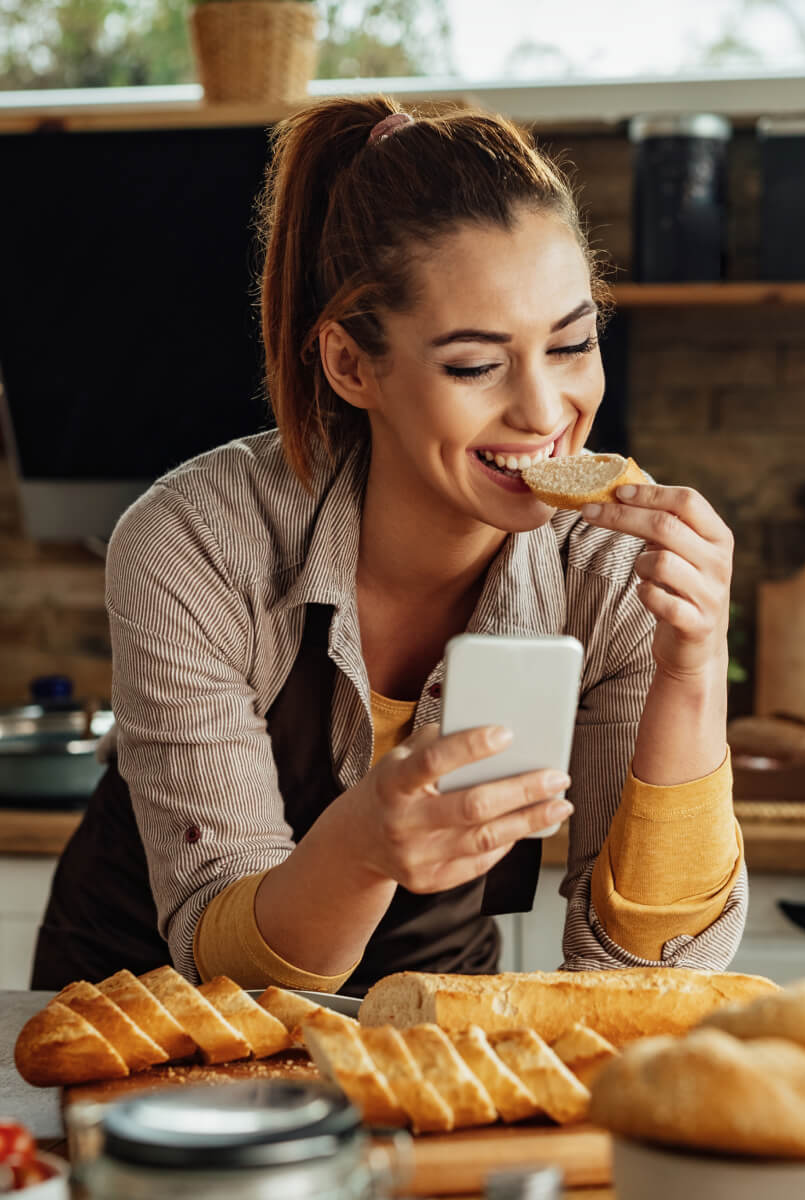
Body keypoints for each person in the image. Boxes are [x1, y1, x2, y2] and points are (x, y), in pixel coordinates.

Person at [32, 98, 746, 996]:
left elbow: (646, 975)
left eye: (571, 344)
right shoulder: (193, 543)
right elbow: (225, 962)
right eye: (475, 365)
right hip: (144, 1012)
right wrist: (363, 845)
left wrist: (693, 667)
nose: (543, 411)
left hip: (429, 1007)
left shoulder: (612, 572)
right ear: (350, 365)